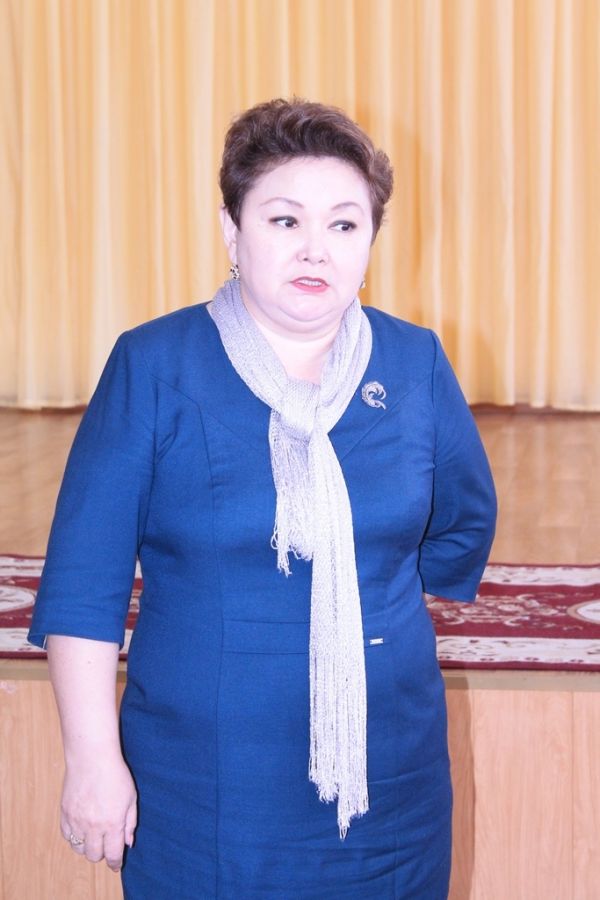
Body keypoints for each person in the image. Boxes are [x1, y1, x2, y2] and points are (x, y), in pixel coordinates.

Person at [29, 98, 497, 899]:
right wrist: (92, 760)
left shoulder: (414, 363)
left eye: (344, 224)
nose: (317, 248)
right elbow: (83, 587)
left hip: (389, 782)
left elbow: (460, 524)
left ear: (371, 240)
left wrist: (359, 595)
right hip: (204, 787)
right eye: (285, 220)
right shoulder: (155, 365)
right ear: (231, 230)